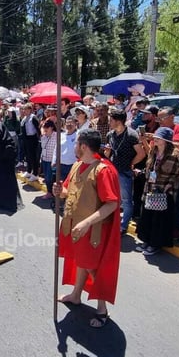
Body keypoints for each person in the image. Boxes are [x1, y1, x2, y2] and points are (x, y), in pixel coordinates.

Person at [53, 129, 121, 328]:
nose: (74, 147)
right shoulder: (77, 166)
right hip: (74, 226)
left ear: (83, 146)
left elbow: (112, 204)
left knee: (92, 266)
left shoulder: (103, 170)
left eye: (76, 144)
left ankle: (102, 309)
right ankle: (75, 295)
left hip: (92, 230)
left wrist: (86, 223)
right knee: (80, 261)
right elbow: (68, 191)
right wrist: (60, 191)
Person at [135, 127, 179, 256]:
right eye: (156, 137)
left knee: (159, 219)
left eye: (159, 138)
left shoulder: (177, 154)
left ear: (166, 140)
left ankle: (155, 244)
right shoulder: (154, 152)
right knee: (147, 216)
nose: (155, 139)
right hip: (150, 189)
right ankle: (147, 240)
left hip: (164, 191)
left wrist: (173, 184)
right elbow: (150, 168)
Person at [105, 109, 146, 234]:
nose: (109, 122)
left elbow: (141, 153)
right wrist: (107, 152)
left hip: (124, 172)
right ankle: (112, 221)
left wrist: (131, 163)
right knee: (112, 199)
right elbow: (109, 154)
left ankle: (123, 226)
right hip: (112, 170)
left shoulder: (131, 135)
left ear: (118, 121)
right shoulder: (110, 135)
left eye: (111, 120)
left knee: (127, 200)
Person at [20, 104, 41, 180]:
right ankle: (29, 171)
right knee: (27, 156)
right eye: (23, 109)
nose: (24, 111)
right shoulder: (25, 118)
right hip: (26, 139)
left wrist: (39, 139)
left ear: (30, 110)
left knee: (33, 156)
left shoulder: (33, 118)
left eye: (26, 109)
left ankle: (35, 173)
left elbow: (38, 129)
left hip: (33, 139)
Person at [39, 120, 58, 200]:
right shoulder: (43, 137)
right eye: (44, 127)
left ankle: (51, 192)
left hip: (52, 160)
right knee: (47, 177)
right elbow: (42, 148)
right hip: (45, 159)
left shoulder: (57, 136)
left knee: (50, 177)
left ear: (52, 127)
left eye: (47, 127)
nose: (45, 129)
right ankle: (49, 192)